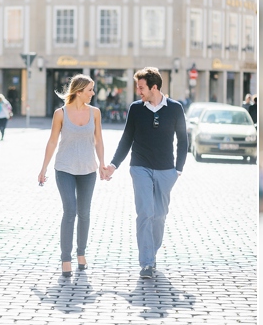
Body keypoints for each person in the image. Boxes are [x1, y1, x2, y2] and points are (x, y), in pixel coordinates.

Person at [103, 67, 188, 279]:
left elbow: (183, 140)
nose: (138, 91)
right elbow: (126, 139)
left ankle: (152, 252)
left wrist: (178, 169)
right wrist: (114, 164)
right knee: (145, 213)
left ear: (154, 87)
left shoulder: (175, 108)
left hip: (166, 170)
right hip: (139, 167)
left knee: (159, 216)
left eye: (141, 88)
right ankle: (147, 263)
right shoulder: (135, 109)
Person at [38, 74, 107, 278]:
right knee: (70, 211)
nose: (93, 93)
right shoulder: (60, 114)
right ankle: (65, 258)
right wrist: (43, 168)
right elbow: (52, 142)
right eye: (90, 90)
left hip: (88, 169)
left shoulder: (95, 113)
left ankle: (81, 254)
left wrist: (102, 164)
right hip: (65, 168)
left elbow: (99, 140)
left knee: (84, 213)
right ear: (79, 92)